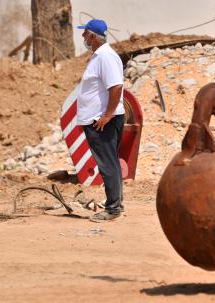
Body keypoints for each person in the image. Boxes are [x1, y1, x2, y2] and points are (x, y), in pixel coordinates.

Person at [76, 19, 125, 221]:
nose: (83, 37)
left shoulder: (105, 57)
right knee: (110, 163)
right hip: (99, 119)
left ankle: (113, 208)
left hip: (102, 121)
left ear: (93, 37)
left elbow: (116, 87)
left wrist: (107, 115)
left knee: (107, 164)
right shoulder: (99, 56)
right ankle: (116, 204)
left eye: (85, 33)